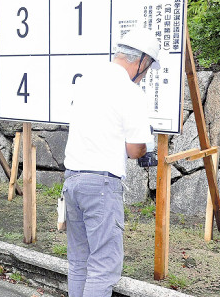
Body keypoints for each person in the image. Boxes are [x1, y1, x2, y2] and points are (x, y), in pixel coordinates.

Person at [62, 28, 160, 296]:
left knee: (80, 261)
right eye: (148, 67)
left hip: (72, 179)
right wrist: (143, 148)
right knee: (104, 265)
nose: (145, 75)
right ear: (140, 61)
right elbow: (134, 149)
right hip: (101, 185)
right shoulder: (130, 92)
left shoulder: (87, 80)